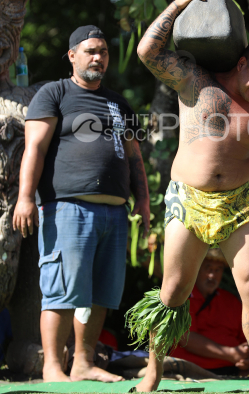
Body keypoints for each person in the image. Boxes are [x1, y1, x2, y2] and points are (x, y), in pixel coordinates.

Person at [125, 0, 249, 394]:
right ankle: (153, 372)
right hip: (188, 200)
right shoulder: (196, 81)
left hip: (239, 204)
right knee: (173, 291)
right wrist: (179, 4)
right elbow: (147, 51)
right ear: (240, 62)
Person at [13, 25, 150, 383]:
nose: (98, 57)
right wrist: (25, 197)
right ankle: (53, 367)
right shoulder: (53, 94)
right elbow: (35, 149)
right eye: (90, 51)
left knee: (101, 292)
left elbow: (134, 157)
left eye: (103, 51)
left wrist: (144, 202)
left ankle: (84, 363)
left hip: (115, 212)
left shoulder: (119, 102)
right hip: (68, 208)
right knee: (61, 291)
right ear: (72, 55)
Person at [172, 249, 249, 375]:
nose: (212, 276)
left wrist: (248, 358)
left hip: (231, 370)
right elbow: (187, 339)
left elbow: (247, 338)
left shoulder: (231, 301)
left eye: (217, 270)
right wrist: (231, 354)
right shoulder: (183, 298)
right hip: (191, 370)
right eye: (207, 268)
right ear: (196, 269)